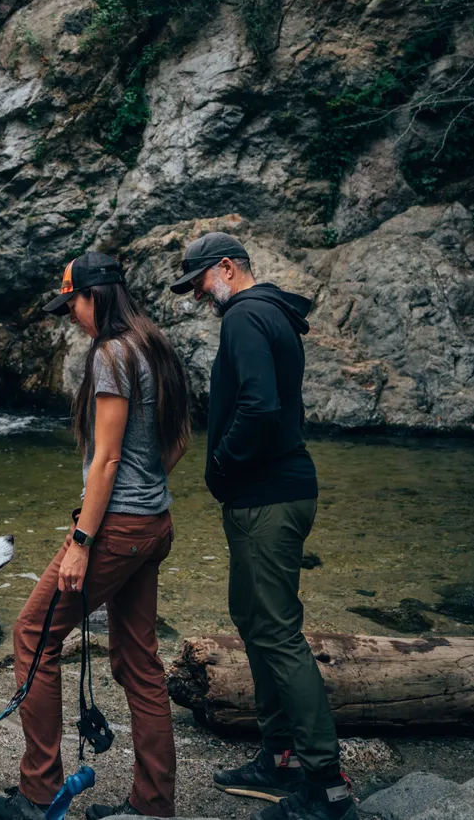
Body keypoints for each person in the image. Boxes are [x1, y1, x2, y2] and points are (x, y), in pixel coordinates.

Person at [0, 251, 191, 820]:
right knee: (138, 662)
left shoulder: (112, 355)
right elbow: (177, 441)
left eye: (72, 301)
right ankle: (152, 807)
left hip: (116, 529)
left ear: (94, 295)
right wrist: (148, 491)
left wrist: (81, 541)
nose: (71, 313)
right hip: (154, 525)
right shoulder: (156, 345)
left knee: (32, 634)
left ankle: (39, 794)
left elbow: (106, 461)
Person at [170, 232, 356, 820]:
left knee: (274, 631)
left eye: (200, 281)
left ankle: (325, 784)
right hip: (279, 491)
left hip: (267, 497)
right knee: (257, 622)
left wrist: (222, 463)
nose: (199, 295)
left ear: (227, 268)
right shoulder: (273, 312)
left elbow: (258, 405)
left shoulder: (247, 316)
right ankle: (278, 756)